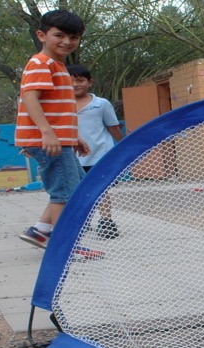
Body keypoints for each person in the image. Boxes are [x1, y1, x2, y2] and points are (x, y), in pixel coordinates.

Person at [15, 10, 90, 249]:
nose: (67, 42)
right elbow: (30, 98)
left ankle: (41, 231)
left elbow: (56, 110)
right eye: (59, 35)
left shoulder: (58, 66)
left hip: (58, 139)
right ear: (41, 35)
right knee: (65, 193)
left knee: (75, 184)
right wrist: (47, 133)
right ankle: (64, 246)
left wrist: (72, 137)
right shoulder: (41, 63)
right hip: (46, 140)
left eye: (74, 37)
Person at [67, 63, 123, 236]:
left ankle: (106, 221)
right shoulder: (62, 105)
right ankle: (82, 222)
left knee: (101, 189)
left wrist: (123, 147)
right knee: (77, 192)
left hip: (100, 154)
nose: (75, 84)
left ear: (90, 82)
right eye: (70, 81)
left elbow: (113, 127)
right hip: (72, 157)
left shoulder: (101, 104)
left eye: (80, 80)